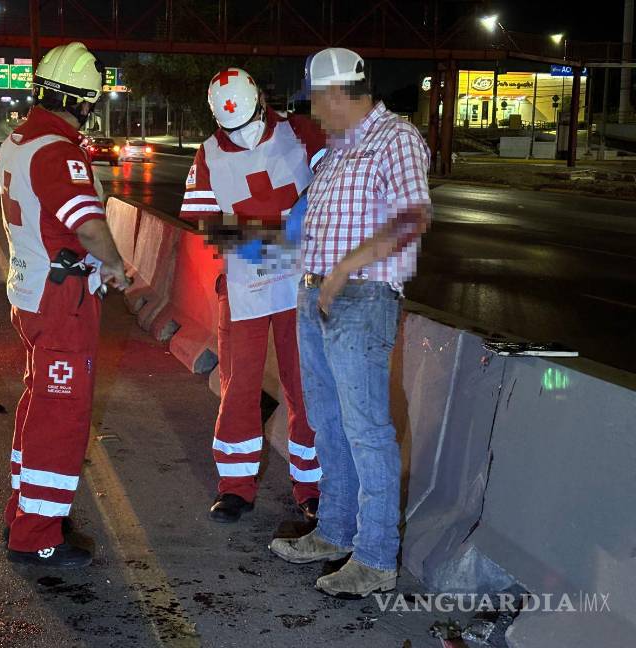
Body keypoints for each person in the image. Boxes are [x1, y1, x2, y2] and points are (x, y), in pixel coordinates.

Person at [269, 48, 432, 598]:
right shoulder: (338, 150)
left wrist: (344, 269)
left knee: (366, 430)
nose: (315, 112)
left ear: (340, 94)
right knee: (327, 422)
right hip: (317, 296)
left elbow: (413, 216)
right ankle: (335, 532)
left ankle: (376, 556)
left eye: (317, 101)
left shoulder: (396, 139)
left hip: (360, 299)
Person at [0, 42, 129, 568]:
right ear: (81, 100)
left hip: (30, 292)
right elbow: (88, 225)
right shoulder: (58, 150)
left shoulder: (19, 140)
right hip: (62, 301)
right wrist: (116, 264)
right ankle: (37, 535)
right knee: (62, 414)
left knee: (37, 404)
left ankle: (25, 510)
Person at [179, 67, 326, 524]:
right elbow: (204, 221)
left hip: (298, 287)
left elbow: (334, 189)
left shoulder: (301, 133)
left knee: (304, 387)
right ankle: (235, 488)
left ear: (263, 101)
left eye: (251, 124)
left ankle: (312, 487)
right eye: (233, 131)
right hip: (246, 285)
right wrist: (272, 241)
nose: (244, 138)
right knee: (238, 387)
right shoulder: (206, 156)